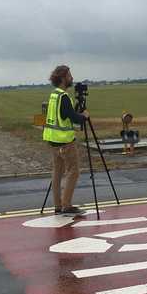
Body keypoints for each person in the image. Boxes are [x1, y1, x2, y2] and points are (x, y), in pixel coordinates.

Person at [43, 65, 89, 215]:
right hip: (65, 142)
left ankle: (58, 205)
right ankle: (66, 206)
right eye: (69, 75)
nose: (72, 78)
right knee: (73, 172)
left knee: (57, 173)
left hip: (52, 141)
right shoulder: (63, 97)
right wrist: (84, 116)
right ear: (63, 78)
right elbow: (73, 118)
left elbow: (62, 115)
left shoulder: (53, 95)